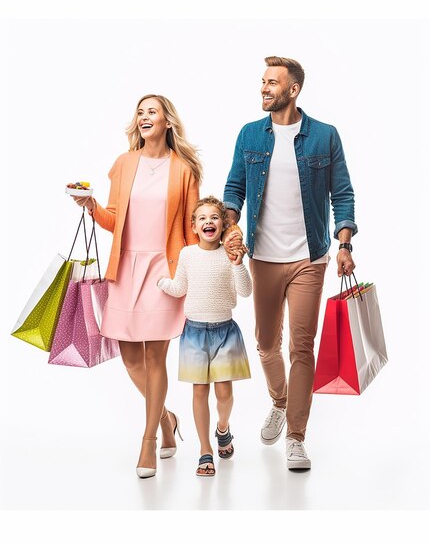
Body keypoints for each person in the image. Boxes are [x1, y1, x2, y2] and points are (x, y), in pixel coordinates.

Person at [223, 56, 357, 470]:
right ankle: (280, 401)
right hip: (262, 258)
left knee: (302, 346)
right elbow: (234, 187)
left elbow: (343, 194)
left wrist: (345, 243)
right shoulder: (249, 135)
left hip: (309, 259)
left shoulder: (324, 136)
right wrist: (231, 226)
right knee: (266, 345)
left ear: (293, 89)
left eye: (272, 82)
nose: (264, 88)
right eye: (262, 82)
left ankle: (296, 437)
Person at [72, 94, 202, 478]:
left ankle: (147, 441)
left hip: (164, 271)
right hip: (125, 268)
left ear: (167, 122)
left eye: (153, 112)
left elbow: (193, 230)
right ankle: (166, 418)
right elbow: (115, 219)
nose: (145, 117)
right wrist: (91, 205)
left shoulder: (183, 169)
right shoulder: (124, 164)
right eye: (140, 113)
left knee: (155, 359)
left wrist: (193, 275)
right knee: (131, 359)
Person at [157, 196, 252, 477]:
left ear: (223, 224)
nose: (208, 222)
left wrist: (237, 264)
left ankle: (223, 429)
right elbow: (179, 287)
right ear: (195, 227)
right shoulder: (187, 254)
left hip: (225, 332)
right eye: (202, 218)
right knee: (200, 391)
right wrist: (161, 283)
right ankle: (204, 449)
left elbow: (246, 292)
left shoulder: (229, 254)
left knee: (224, 393)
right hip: (195, 333)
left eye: (214, 217)